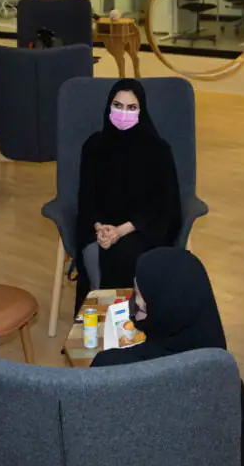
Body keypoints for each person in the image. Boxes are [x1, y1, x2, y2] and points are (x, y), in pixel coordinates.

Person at [90, 248, 244, 466]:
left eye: (138, 296)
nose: (132, 302)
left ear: (163, 308)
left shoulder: (111, 368)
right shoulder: (221, 374)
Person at [74, 79, 182, 313]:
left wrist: (120, 231)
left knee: (122, 253)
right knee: (102, 248)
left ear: (141, 110)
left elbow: (163, 205)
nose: (123, 113)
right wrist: (100, 227)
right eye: (118, 105)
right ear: (108, 106)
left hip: (142, 227)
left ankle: (119, 326)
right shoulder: (93, 146)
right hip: (100, 225)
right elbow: (87, 196)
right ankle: (105, 328)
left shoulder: (157, 150)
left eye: (131, 107)